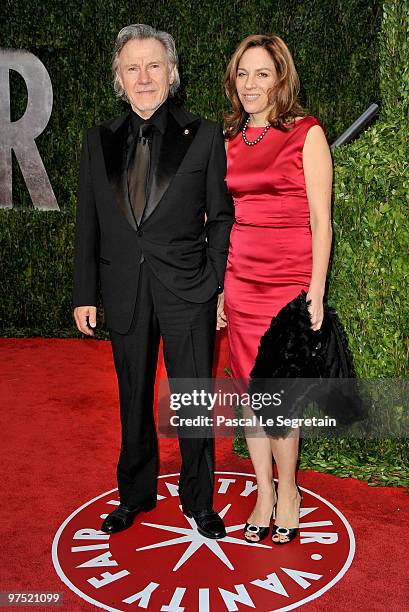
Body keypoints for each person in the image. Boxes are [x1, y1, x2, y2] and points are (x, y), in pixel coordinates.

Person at [73, 24, 234, 539]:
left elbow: (222, 215)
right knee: (132, 398)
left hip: (189, 290)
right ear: (120, 78)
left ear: (171, 72)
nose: (144, 78)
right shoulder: (98, 139)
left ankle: (199, 501)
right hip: (124, 291)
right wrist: (84, 294)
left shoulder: (204, 135)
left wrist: (214, 281)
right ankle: (134, 496)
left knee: (191, 402)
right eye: (132, 68)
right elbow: (88, 223)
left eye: (153, 66)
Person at [218, 34, 333, 544]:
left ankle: (289, 493)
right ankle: (262, 491)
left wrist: (317, 290)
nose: (250, 85)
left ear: (281, 78)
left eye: (262, 74)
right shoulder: (230, 139)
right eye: (243, 74)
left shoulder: (306, 134)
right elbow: (224, 218)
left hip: (287, 283)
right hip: (241, 280)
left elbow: (321, 222)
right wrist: (222, 288)